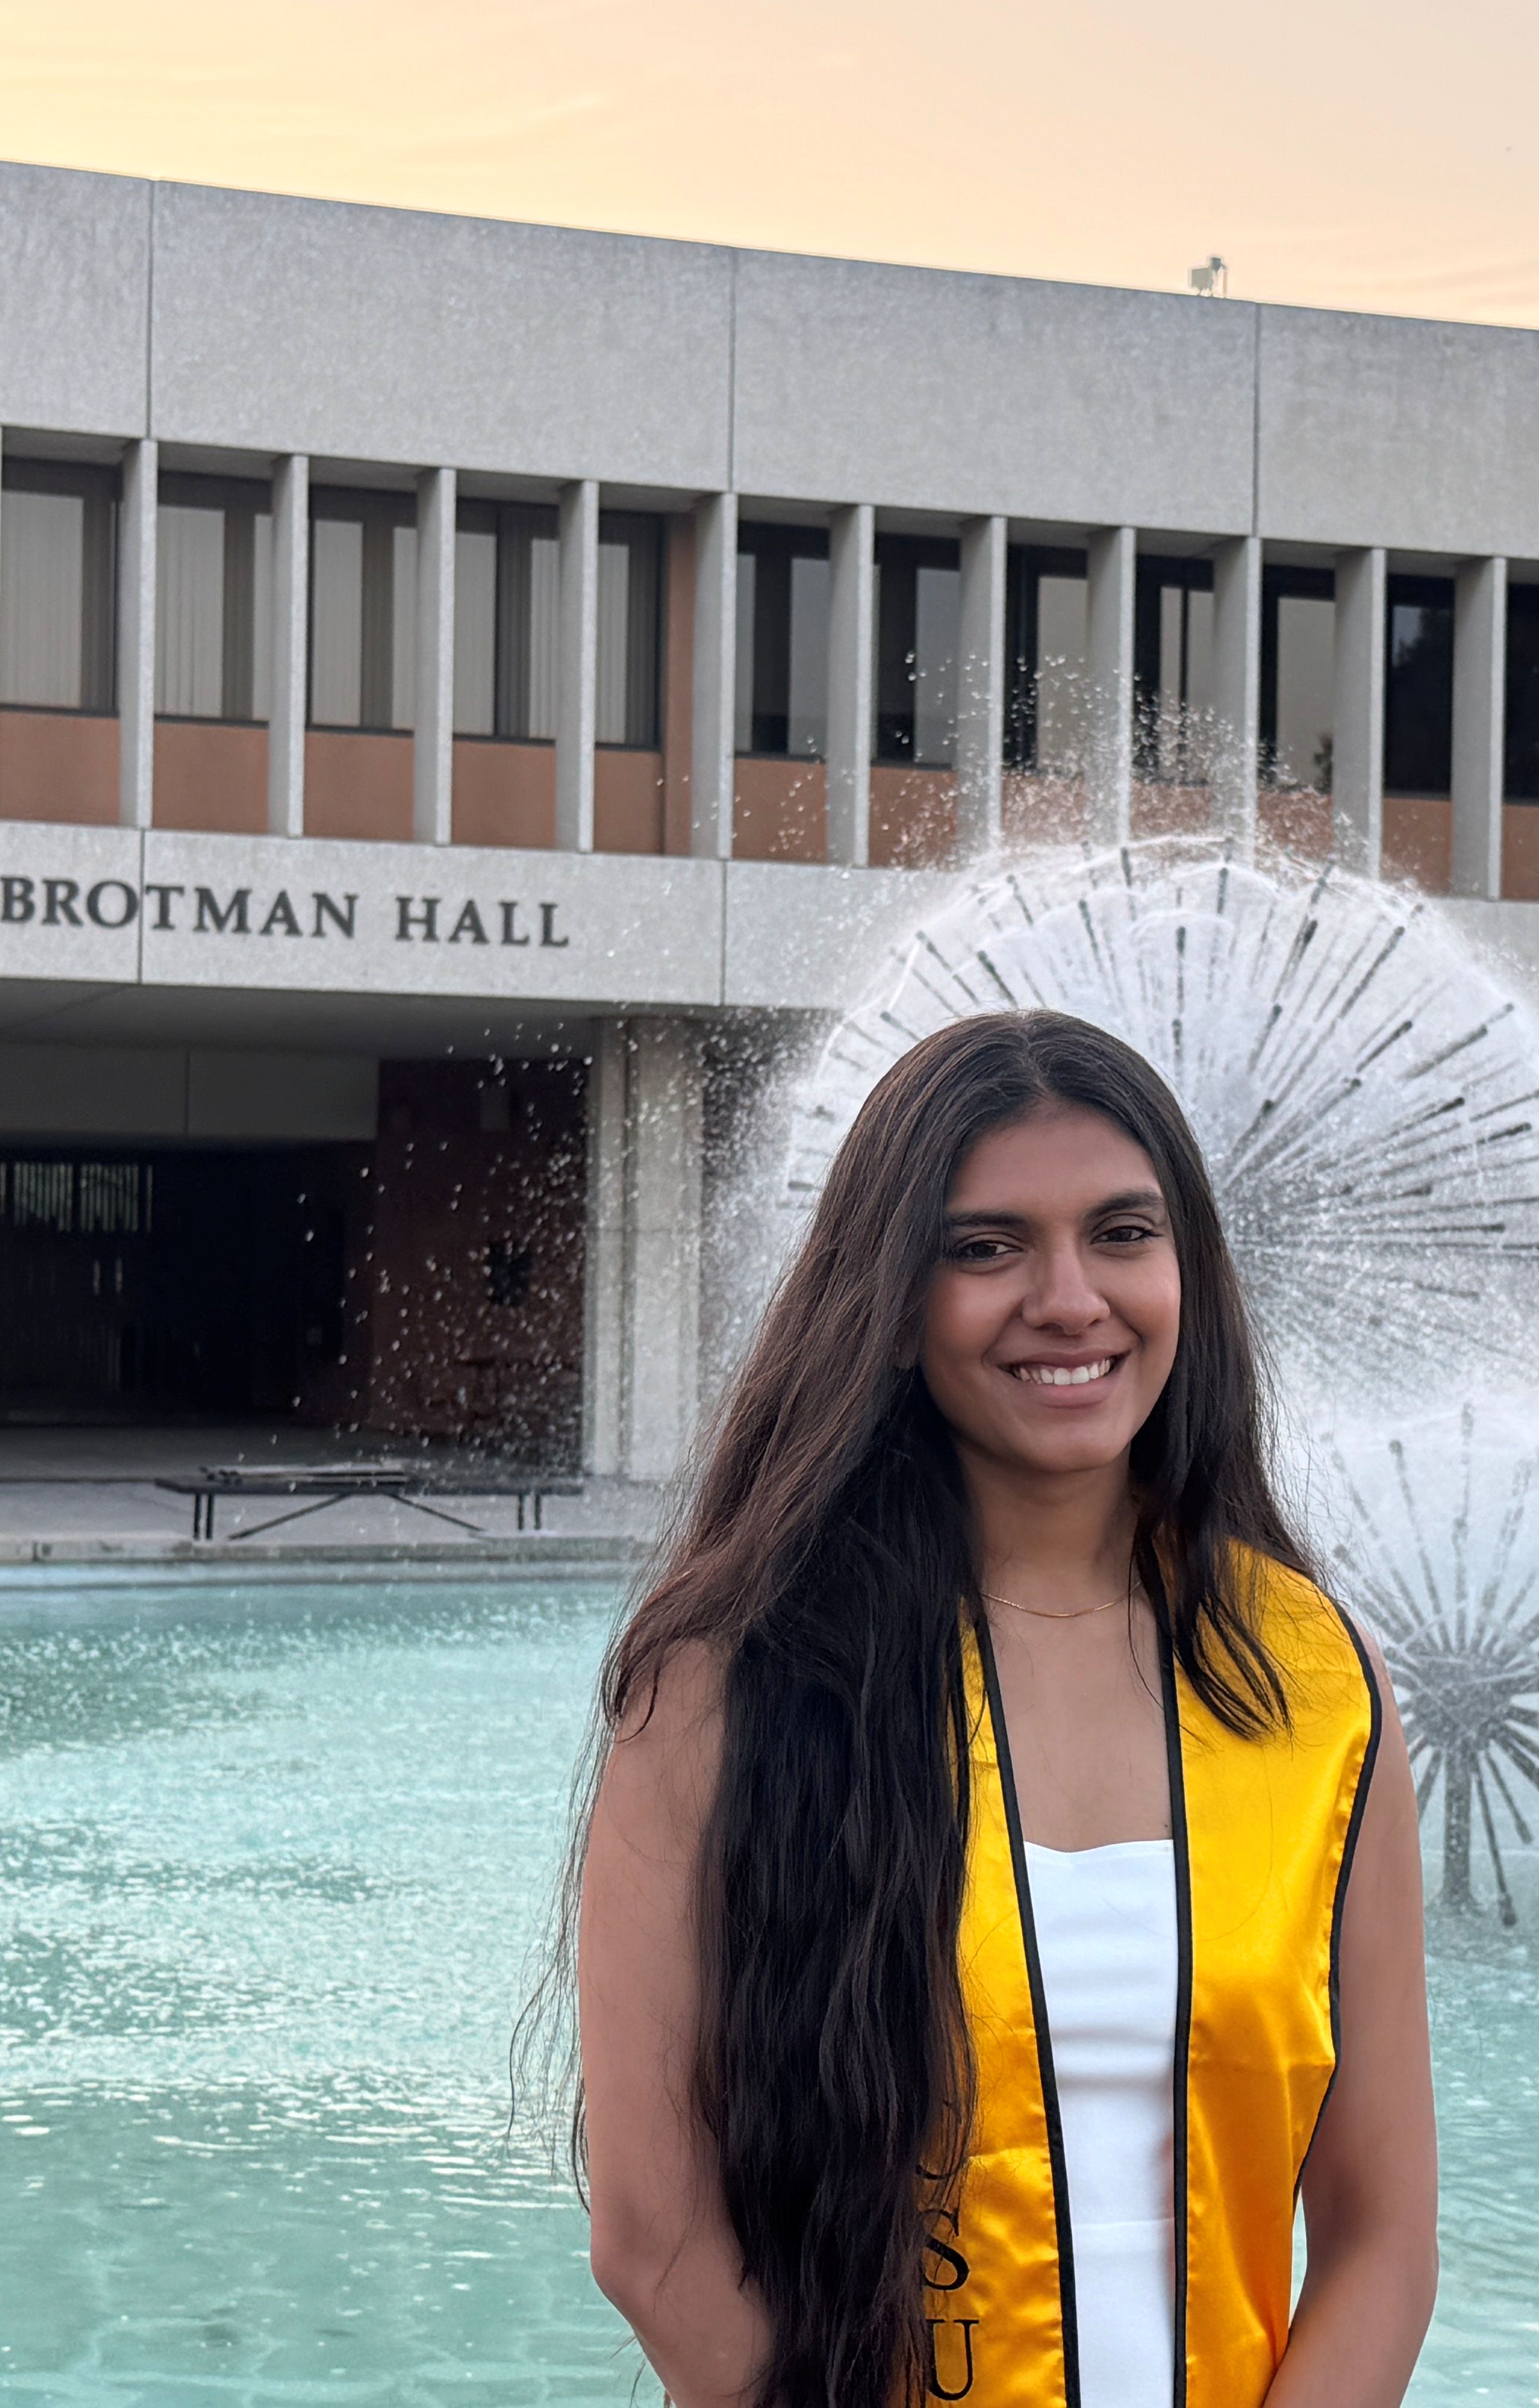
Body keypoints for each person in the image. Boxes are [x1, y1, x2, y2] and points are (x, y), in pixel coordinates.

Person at [573, 1008, 1436, 2408]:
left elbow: (1381, 2233)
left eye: (1122, 1233)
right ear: (892, 1303)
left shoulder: (1317, 1682)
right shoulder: (728, 1684)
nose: (1070, 1299)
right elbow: (653, 2242)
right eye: (985, 1248)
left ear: (1188, 1275)